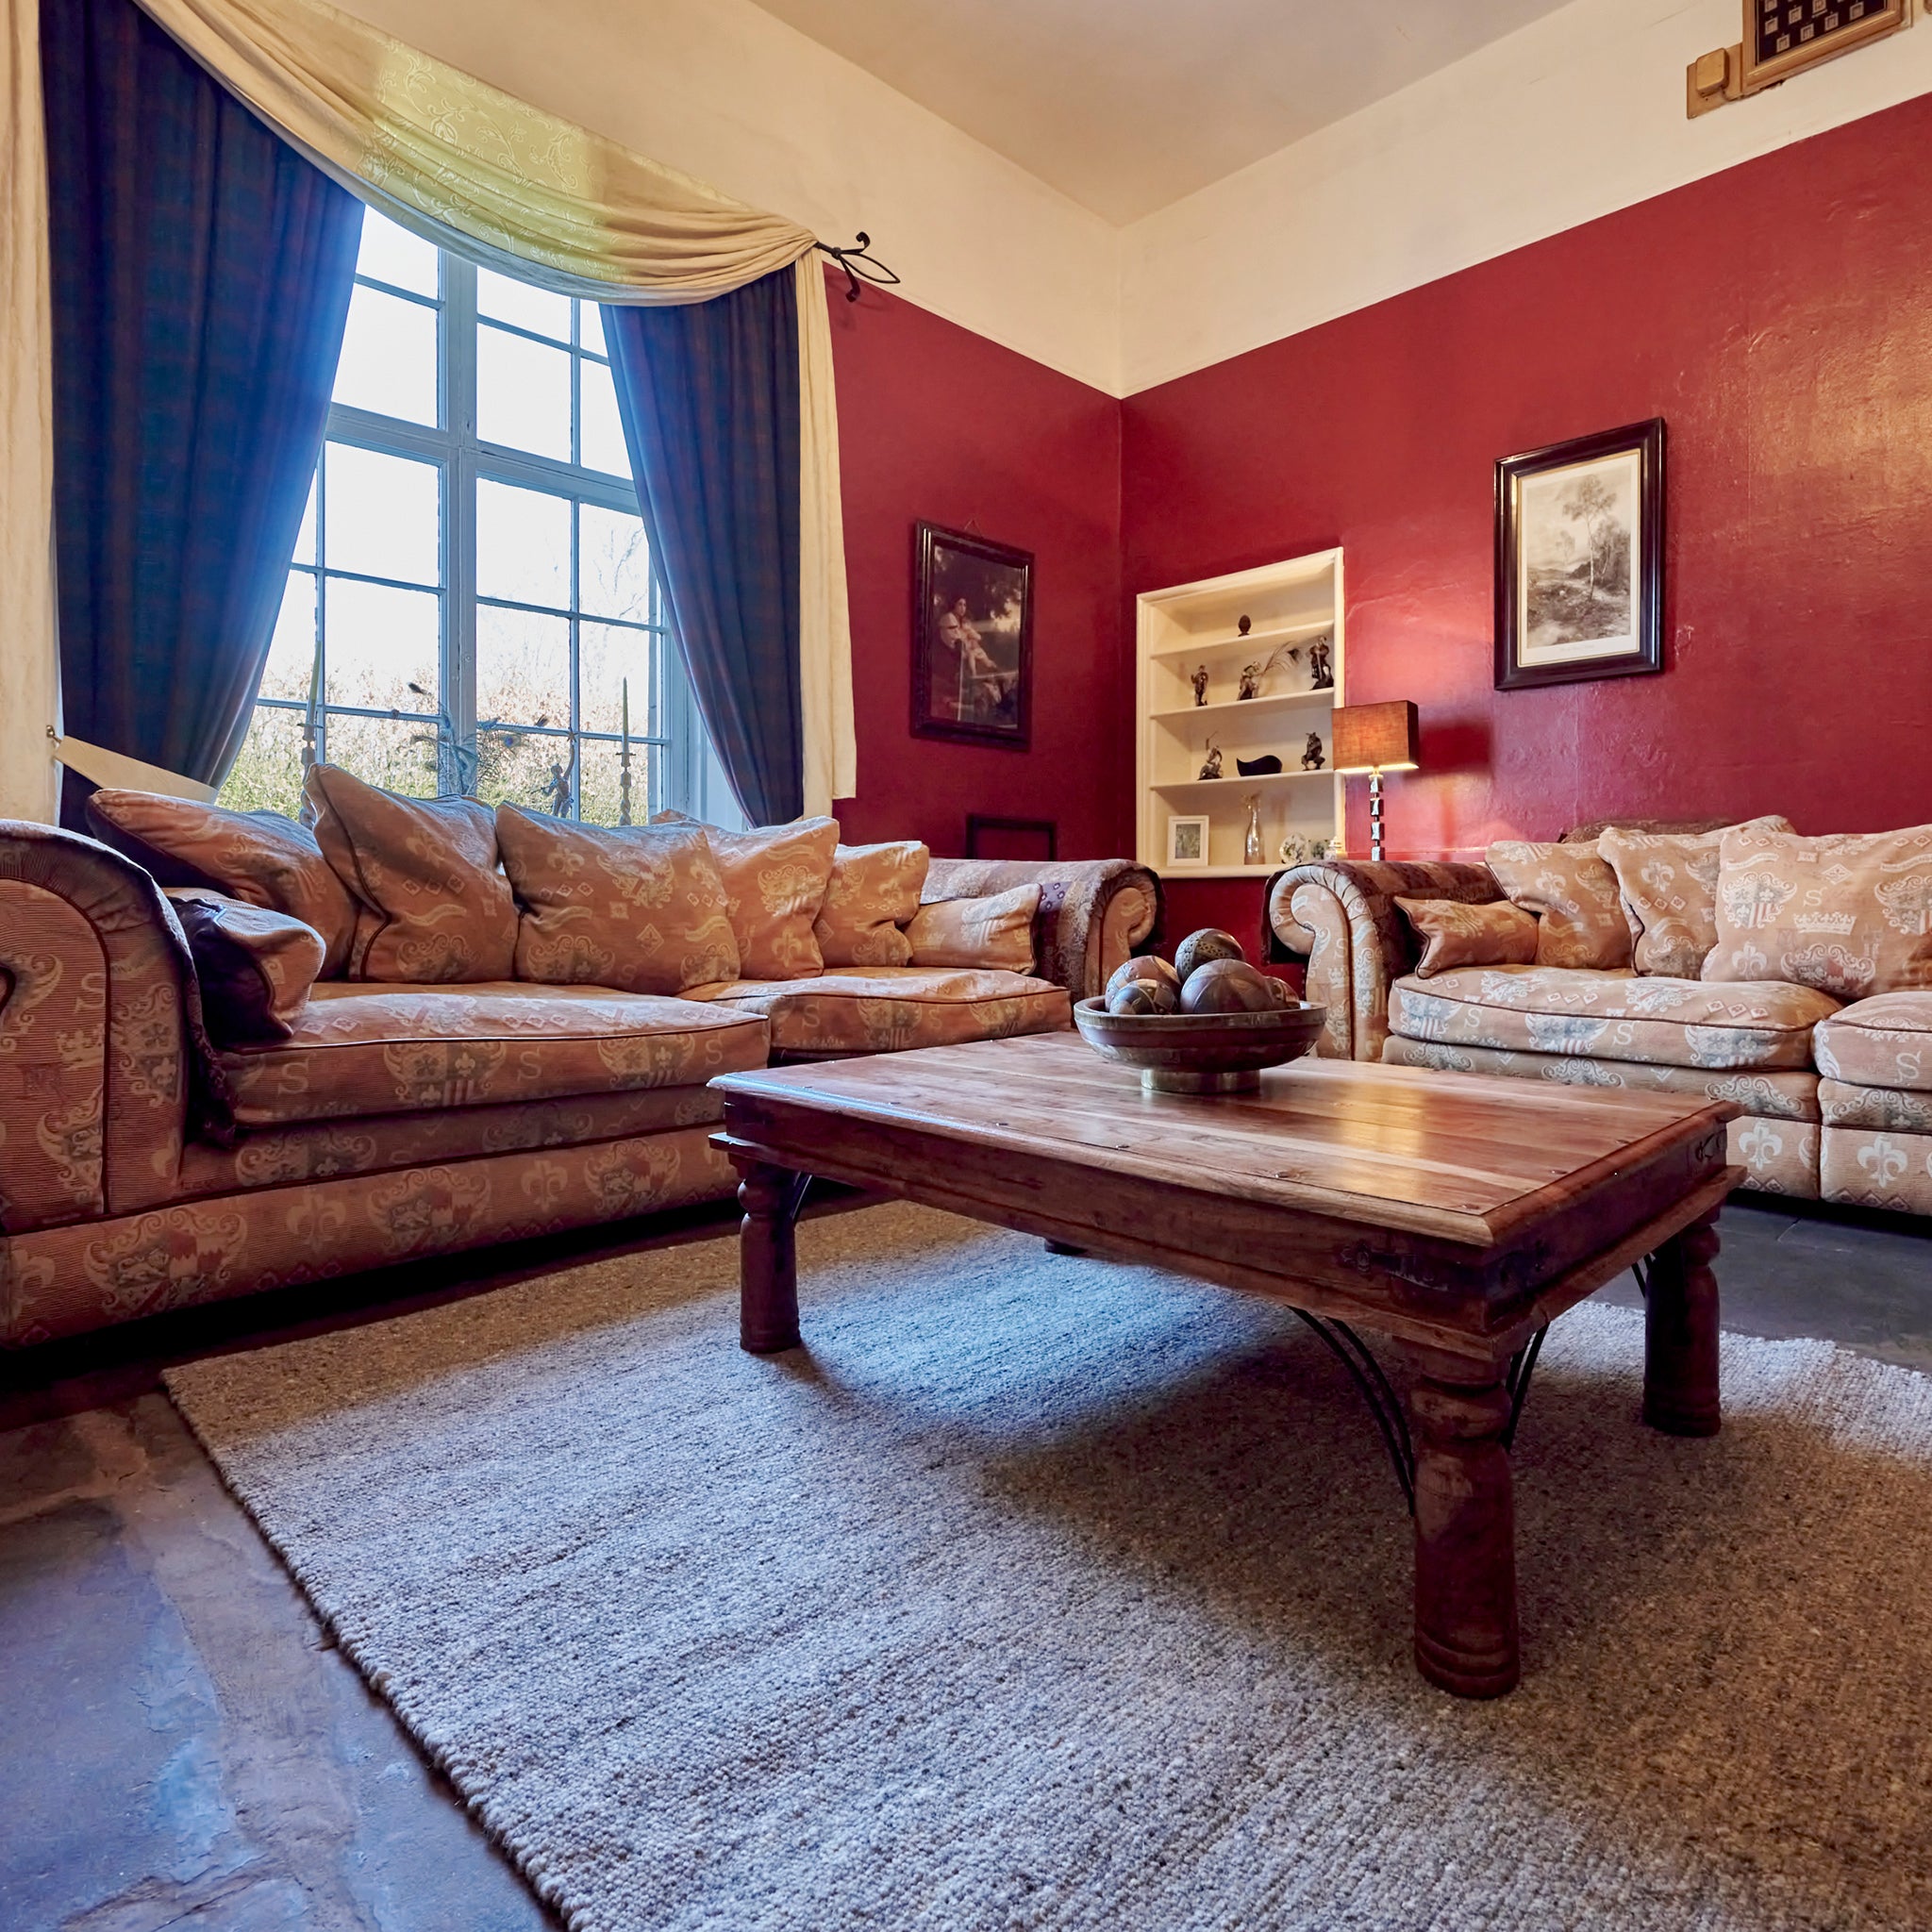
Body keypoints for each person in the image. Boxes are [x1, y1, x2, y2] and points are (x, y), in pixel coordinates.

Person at [937, 595, 1017, 721]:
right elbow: (954, 642)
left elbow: (972, 638)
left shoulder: (963, 622)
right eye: (960, 604)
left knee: (989, 666)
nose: (963, 608)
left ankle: (1004, 682)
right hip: (960, 662)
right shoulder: (949, 620)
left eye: (964, 605)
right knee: (982, 682)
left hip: (970, 657)